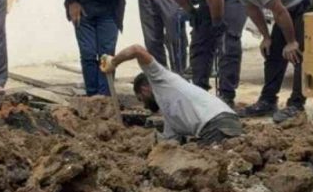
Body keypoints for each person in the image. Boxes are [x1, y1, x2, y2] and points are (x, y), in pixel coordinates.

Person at [141, 0, 246, 107]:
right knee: (199, 43)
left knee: (227, 41)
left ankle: (226, 96)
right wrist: (191, 11)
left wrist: (217, 21)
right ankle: (199, 93)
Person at [209, 0, 312, 123]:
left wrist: (292, 42)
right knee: (273, 52)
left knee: (298, 54)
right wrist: (266, 37)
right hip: (286, 5)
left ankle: (296, 105)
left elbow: (279, 11)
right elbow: (252, 9)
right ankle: (268, 101)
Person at [103, 44, 242, 145]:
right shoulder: (170, 115)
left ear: (145, 89)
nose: (144, 105)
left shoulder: (159, 78)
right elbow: (169, 144)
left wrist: (113, 62)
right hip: (226, 123)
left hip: (215, 124)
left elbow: (136, 50)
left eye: (141, 99)